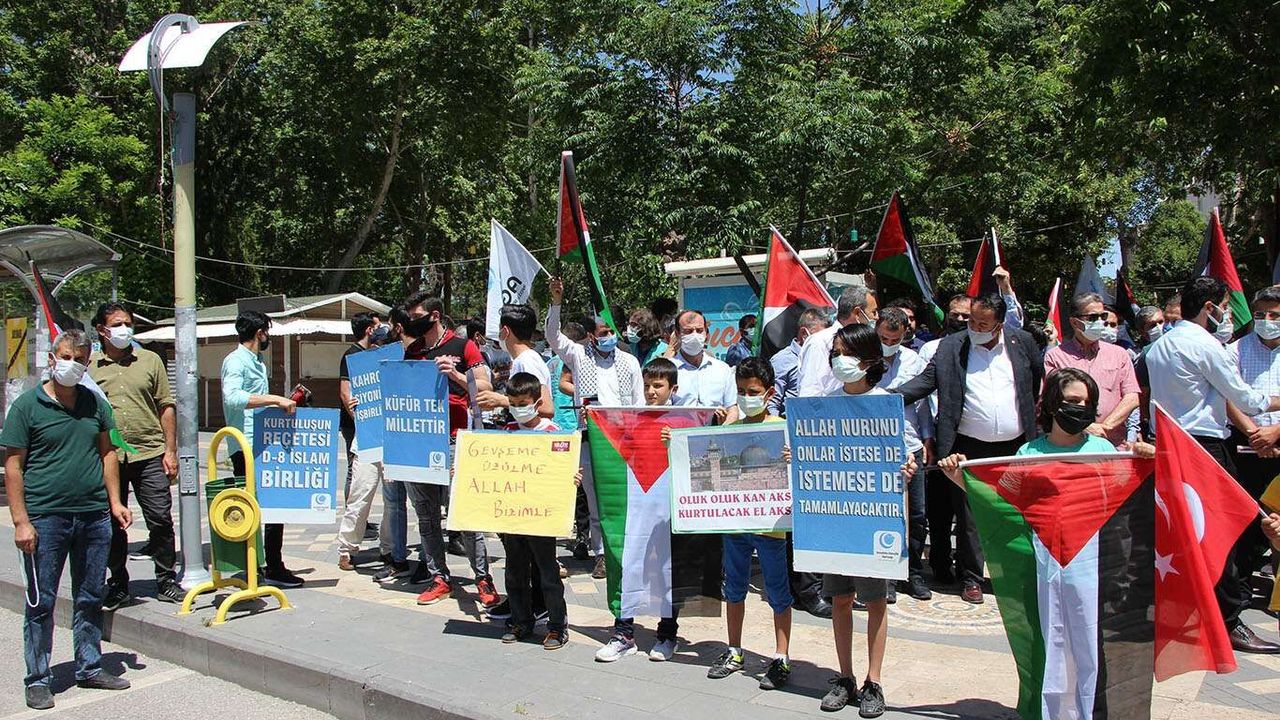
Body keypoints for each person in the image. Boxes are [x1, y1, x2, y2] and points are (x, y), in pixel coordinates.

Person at [938, 368, 1155, 719]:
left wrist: (1148, 457)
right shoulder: (1029, 453)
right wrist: (961, 478)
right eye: (1072, 400)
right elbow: (1003, 503)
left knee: (1090, 648)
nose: (1080, 408)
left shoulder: (1103, 451)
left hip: (1094, 570)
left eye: (1087, 402)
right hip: (1045, 570)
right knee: (1050, 644)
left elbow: (1131, 495)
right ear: (1053, 404)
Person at [1145, 276, 1280, 653]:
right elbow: (1247, 399)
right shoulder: (1207, 345)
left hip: (1172, 445)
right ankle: (1229, 621)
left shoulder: (1160, 345)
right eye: (1224, 307)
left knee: (1191, 532)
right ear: (1209, 308)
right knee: (1226, 532)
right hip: (1204, 448)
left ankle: (1199, 614)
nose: (1227, 315)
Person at [5, 329, 134, 710]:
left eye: (79, 360)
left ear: (87, 363)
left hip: (93, 516)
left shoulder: (95, 404)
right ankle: (37, 679)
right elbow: (13, 467)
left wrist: (115, 502)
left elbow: (107, 453)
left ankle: (89, 666)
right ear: (51, 358)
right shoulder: (27, 407)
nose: (71, 365)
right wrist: (21, 521)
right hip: (46, 518)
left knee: (90, 596)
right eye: (65, 357)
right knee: (41, 602)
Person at [896, 292, 1044, 604]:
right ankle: (971, 578)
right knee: (969, 517)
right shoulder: (952, 346)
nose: (974, 328)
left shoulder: (1022, 343)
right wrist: (884, 400)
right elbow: (925, 382)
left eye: (983, 324)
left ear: (999, 325)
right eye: (972, 321)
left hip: (1014, 446)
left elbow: (1034, 381)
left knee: (1012, 514)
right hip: (965, 447)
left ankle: (1012, 576)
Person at [817, 323, 918, 717]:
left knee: (875, 600)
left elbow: (905, 453)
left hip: (873, 522)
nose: (839, 360)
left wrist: (907, 468)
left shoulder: (885, 405)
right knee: (840, 599)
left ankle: (873, 682)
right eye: (835, 352)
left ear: (868, 359)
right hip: (835, 520)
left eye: (846, 352)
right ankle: (845, 677)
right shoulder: (824, 404)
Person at [397, 292, 499, 608]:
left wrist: (455, 375)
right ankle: (439, 577)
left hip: (456, 441)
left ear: (435, 316)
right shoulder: (413, 351)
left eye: (417, 317)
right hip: (420, 443)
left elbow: (486, 387)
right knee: (426, 515)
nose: (412, 323)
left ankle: (482, 578)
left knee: (464, 513)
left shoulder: (463, 347)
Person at [706, 357, 795, 690]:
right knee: (734, 589)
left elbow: (799, 472)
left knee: (778, 593)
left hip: (771, 526)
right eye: (741, 391)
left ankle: (781, 656)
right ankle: (734, 650)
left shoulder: (782, 427)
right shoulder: (730, 430)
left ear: (769, 393)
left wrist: (793, 459)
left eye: (753, 392)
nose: (746, 397)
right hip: (736, 525)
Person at [547, 277, 644, 579]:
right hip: (591, 438)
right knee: (595, 499)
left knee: (621, 498)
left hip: (622, 440)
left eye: (612, 331)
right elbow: (552, 336)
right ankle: (601, 553)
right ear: (591, 336)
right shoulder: (578, 356)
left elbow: (639, 404)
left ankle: (625, 552)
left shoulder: (629, 361)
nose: (609, 337)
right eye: (603, 333)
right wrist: (556, 302)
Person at [88, 303, 181, 607]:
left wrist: (170, 450)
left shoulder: (150, 360)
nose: (124, 329)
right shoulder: (90, 366)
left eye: (127, 323)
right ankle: (117, 583)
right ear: (102, 330)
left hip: (149, 452)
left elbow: (166, 406)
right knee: (113, 524)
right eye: (117, 324)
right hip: (109, 457)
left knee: (160, 518)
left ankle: (166, 579)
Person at [595, 357, 687, 663]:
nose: (651, 391)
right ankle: (623, 634)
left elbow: (698, 459)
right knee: (628, 564)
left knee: (667, 570)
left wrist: (678, 441)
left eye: (658, 386)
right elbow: (614, 446)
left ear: (673, 389)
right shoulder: (632, 418)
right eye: (647, 385)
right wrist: (595, 419)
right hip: (636, 512)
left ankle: (667, 633)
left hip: (669, 512)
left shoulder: (685, 420)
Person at [220, 310, 302, 588]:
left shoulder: (257, 362)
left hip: (265, 442)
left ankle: (274, 564)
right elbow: (233, 398)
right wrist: (275, 399)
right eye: (267, 332)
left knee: (275, 504)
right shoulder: (235, 361)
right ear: (260, 333)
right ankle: (251, 566)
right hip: (245, 446)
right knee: (250, 507)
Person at [498, 372, 572, 650]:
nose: (518, 409)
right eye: (513, 404)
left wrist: (572, 477)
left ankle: (557, 626)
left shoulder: (552, 432)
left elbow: (565, 467)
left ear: (537, 403)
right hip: (513, 515)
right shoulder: (507, 431)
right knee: (514, 571)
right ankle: (521, 620)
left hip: (542, 516)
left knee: (547, 572)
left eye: (523, 403)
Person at [1224, 287, 1280, 589]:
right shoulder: (1235, 350)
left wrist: (1275, 433)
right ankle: (1241, 591)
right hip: (1246, 444)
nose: (1266, 321)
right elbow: (1227, 397)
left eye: (1274, 315)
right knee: (1246, 518)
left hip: (1277, 440)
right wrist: (1254, 434)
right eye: (1260, 315)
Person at [876, 308, 933, 601]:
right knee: (886, 513)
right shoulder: (864, 360)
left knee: (917, 514)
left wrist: (927, 438)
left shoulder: (913, 360)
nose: (888, 343)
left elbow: (922, 404)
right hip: (877, 449)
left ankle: (913, 573)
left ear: (904, 336)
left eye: (894, 340)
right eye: (884, 338)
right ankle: (886, 575)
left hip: (910, 443)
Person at [1043, 293, 1141, 447]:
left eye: (1103, 316)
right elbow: (1051, 401)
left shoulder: (1119, 354)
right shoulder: (1055, 357)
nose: (1100, 322)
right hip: (1072, 445)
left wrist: (1105, 427)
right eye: (1093, 318)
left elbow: (1132, 397)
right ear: (1075, 322)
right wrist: (1086, 427)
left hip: (1114, 443)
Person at [335, 312, 387, 572]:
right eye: (377, 326)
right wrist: (359, 417)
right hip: (366, 435)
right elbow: (345, 392)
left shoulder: (384, 355)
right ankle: (346, 549)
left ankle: (390, 548)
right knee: (360, 491)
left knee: (394, 500)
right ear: (369, 330)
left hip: (390, 436)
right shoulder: (352, 357)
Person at [374, 305, 412, 582]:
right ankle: (398, 559)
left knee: (427, 509)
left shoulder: (421, 356)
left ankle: (433, 567)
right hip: (390, 441)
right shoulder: (383, 356)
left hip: (416, 441)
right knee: (395, 503)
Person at [796, 286, 877, 397]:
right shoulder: (820, 342)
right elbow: (810, 392)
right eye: (873, 312)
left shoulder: (868, 342)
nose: (877, 317)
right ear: (858, 313)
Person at [477, 304, 553, 420]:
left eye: (499, 330)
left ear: (505, 331)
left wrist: (502, 400)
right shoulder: (522, 360)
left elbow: (547, 408)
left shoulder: (526, 361)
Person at [671, 309, 738, 420]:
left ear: (706, 334)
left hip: (716, 430)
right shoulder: (669, 370)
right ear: (677, 334)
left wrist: (725, 426)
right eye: (688, 331)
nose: (695, 335)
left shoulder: (722, 369)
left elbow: (732, 408)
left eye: (699, 330)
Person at [769, 308, 830, 418]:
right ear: (803, 333)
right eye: (819, 337)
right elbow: (772, 403)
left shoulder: (826, 356)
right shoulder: (782, 360)